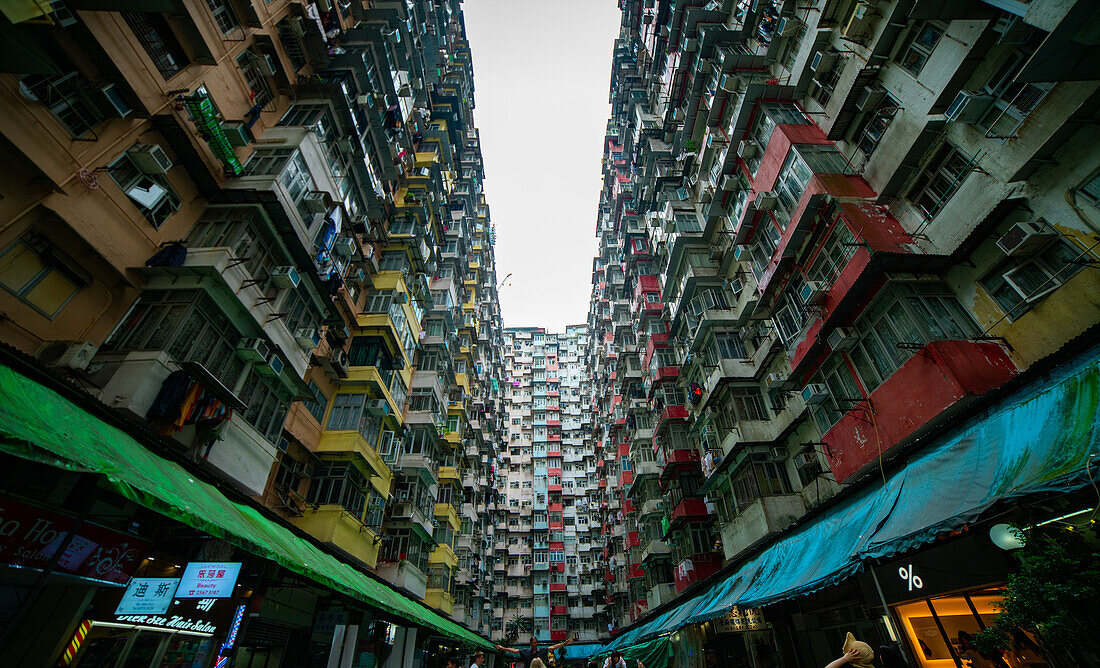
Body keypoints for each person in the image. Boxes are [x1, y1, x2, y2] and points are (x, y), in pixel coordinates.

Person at [497, 635, 575, 668]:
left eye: (535, 643)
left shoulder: (541, 651)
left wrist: (564, 643)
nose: (534, 644)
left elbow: (552, 647)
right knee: (535, 660)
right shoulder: (525, 652)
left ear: (537, 643)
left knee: (537, 660)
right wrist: (502, 648)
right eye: (532, 643)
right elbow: (514, 651)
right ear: (530, 644)